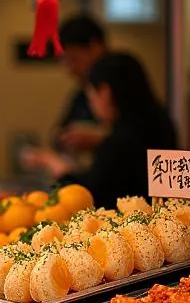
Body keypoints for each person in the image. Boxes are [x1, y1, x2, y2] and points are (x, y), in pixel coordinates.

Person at [28, 52, 177, 208]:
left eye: (91, 98)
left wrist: (54, 162)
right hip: (163, 220)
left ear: (105, 93)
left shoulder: (122, 139)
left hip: (132, 226)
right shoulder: (159, 120)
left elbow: (89, 196)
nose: (92, 106)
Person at [55, 14, 109, 155]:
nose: (71, 69)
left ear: (95, 47)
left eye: (74, 59)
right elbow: (60, 135)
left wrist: (102, 138)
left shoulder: (122, 81)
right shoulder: (81, 94)